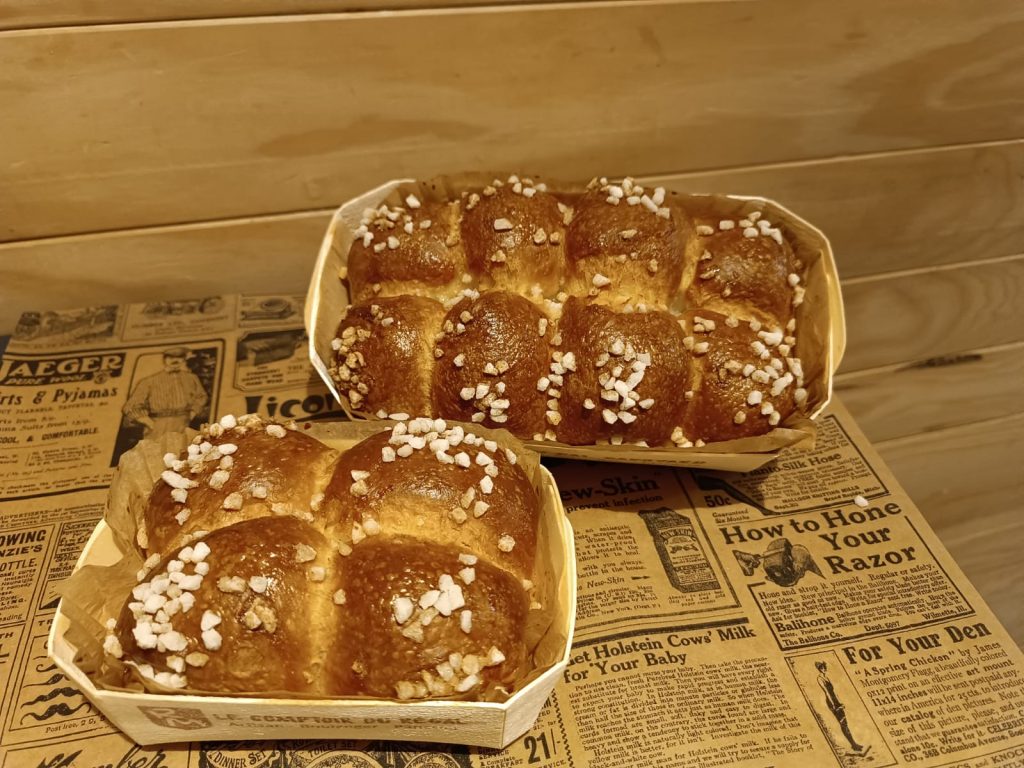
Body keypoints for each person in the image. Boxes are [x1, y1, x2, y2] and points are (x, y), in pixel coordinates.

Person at [122, 347, 208, 439]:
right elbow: (130, 406)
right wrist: (150, 423)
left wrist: (191, 414)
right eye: (171, 358)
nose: (175, 360)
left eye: (179, 357)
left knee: (183, 451)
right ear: (164, 360)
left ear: (183, 360)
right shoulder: (149, 381)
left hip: (184, 423)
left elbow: (201, 396)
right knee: (156, 452)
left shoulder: (192, 378)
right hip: (158, 424)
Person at [816, 661, 867, 754]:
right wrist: (834, 705)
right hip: (831, 702)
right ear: (819, 669)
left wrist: (840, 702)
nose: (824, 669)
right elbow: (827, 693)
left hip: (836, 700)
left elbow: (834, 692)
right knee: (842, 723)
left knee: (845, 722)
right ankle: (853, 744)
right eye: (822, 667)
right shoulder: (820, 678)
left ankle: (854, 743)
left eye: (824, 667)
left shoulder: (826, 677)